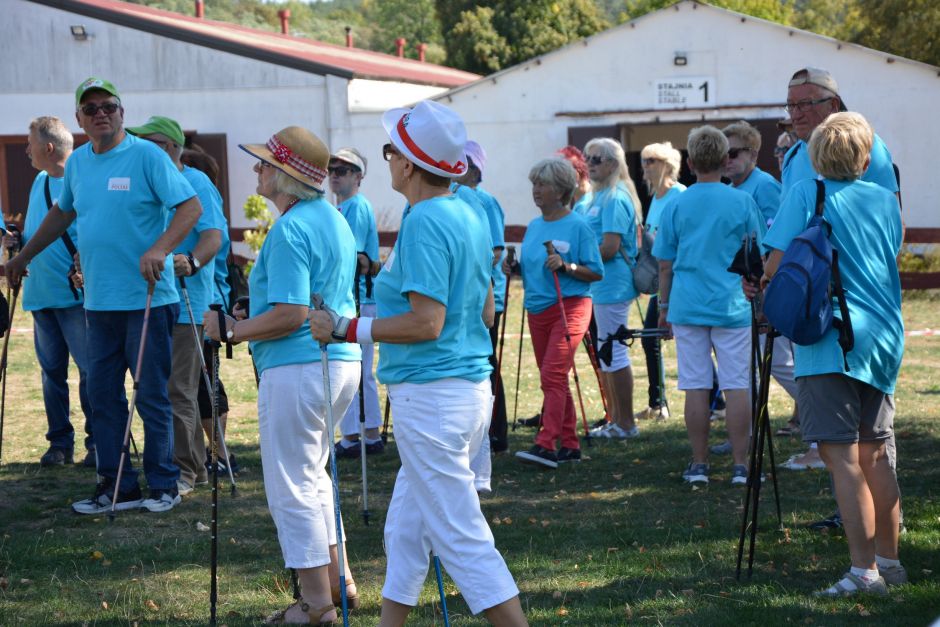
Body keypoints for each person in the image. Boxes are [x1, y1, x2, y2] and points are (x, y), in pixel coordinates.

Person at [310, 100, 527, 626]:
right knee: (406, 532)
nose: (387, 159)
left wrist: (345, 328)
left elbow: (427, 322)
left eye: (390, 151)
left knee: (462, 538)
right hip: (462, 390)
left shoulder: (427, 220)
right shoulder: (466, 211)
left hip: (434, 399)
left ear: (408, 163)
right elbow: (485, 308)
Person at [6, 78, 203, 514]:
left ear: (121, 112)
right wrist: (24, 256)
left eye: (108, 106)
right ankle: (116, 487)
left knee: (150, 395)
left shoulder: (147, 155)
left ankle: (163, 484)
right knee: (103, 397)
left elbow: (191, 207)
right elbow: (62, 213)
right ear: (79, 118)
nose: (101, 114)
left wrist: (159, 249)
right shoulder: (77, 163)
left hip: (148, 298)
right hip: (98, 303)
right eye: (91, 108)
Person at [203, 125, 362, 624]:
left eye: (265, 163)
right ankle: (338, 583)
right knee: (313, 476)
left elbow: (291, 314)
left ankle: (316, 604)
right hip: (337, 363)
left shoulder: (291, 228)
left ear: (286, 175)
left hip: (299, 367)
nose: (256, 169)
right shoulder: (332, 217)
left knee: (293, 484)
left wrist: (232, 330)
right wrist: (255, 311)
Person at [760, 112, 905, 596]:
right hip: (883, 335)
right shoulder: (885, 199)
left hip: (831, 336)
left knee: (840, 456)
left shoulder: (808, 192)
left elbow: (776, 264)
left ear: (816, 155)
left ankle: (863, 572)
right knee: (876, 451)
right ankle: (890, 562)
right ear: (865, 157)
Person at [782, 67, 902, 528]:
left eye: (805, 104)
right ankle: (876, 540)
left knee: (863, 447)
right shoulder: (797, 153)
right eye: (790, 104)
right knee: (863, 445)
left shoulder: (864, 146)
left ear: (832, 104)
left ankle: (871, 539)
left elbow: (882, 234)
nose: (795, 113)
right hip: (845, 315)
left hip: (842, 317)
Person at [652, 125, 764, 486]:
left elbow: (665, 263)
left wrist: (664, 307)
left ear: (690, 162)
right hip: (732, 304)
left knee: (695, 385)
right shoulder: (741, 201)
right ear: (724, 158)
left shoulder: (676, 203)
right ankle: (741, 465)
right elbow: (759, 255)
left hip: (687, 305)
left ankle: (699, 464)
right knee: (737, 384)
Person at [127, 116, 224, 497]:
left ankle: (187, 470)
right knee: (161, 388)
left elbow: (213, 236)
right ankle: (185, 466)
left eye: (150, 143)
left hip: (186, 302)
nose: (142, 149)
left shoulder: (197, 182)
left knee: (178, 389)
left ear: (170, 147)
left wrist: (193, 262)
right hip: (151, 300)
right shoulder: (148, 180)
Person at [5, 117, 95, 468]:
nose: (26, 150)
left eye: (30, 143)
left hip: (75, 298)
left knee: (90, 372)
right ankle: (59, 444)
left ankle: (97, 442)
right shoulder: (40, 180)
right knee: (51, 374)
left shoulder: (84, 180)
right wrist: (16, 240)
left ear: (48, 147)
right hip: (40, 294)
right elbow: (38, 230)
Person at [512, 158, 602, 468]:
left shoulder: (578, 226)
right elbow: (532, 268)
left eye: (543, 184)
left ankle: (546, 443)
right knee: (555, 377)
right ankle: (570, 444)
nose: (536, 190)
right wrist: (513, 267)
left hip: (570, 306)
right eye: (534, 183)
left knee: (552, 374)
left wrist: (567, 266)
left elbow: (596, 271)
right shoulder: (534, 226)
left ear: (561, 190)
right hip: (537, 310)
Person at [180, 146, 239, 475]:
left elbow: (215, 250)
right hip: (204, 303)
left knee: (208, 383)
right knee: (202, 384)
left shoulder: (205, 202)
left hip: (207, 304)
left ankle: (220, 455)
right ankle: (213, 454)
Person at [581, 138, 642, 440]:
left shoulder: (615, 198)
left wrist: (575, 260)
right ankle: (615, 419)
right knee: (605, 353)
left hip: (613, 286)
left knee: (614, 353)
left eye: (597, 159)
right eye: (588, 158)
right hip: (597, 286)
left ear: (614, 164)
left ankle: (626, 423)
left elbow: (609, 247)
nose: (590, 164)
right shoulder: (594, 197)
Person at [329, 146, 384, 460]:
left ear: (358, 176)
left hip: (360, 297)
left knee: (358, 368)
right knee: (353, 367)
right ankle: (356, 434)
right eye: (331, 170)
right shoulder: (344, 207)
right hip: (353, 297)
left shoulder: (357, 206)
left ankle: (366, 434)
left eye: (342, 170)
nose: (334, 175)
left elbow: (354, 256)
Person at [459, 140, 511, 458]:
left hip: (489, 297)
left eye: (464, 162)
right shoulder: (454, 198)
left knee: (488, 363)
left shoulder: (486, 202)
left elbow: (495, 251)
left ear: (476, 169)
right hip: (466, 298)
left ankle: (496, 433)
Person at [636, 141, 685, 422]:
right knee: (650, 338)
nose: (646, 166)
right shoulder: (655, 197)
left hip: (678, 279)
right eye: (644, 160)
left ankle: (716, 401)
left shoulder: (680, 194)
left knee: (690, 342)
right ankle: (658, 403)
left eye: (652, 160)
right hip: (660, 279)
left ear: (667, 164)